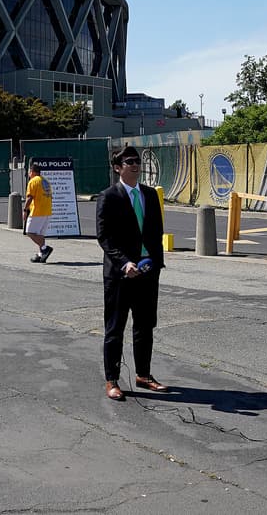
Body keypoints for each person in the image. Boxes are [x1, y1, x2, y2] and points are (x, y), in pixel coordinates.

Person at [95, 145, 167, 401]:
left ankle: (144, 375)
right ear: (117, 167)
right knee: (115, 328)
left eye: (137, 161)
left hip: (147, 272)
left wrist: (155, 261)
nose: (135, 165)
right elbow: (104, 237)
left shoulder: (149, 194)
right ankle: (112, 379)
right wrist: (125, 262)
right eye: (129, 162)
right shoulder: (108, 196)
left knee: (145, 326)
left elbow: (156, 231)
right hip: (120, 274)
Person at [22, 162, 54, 263]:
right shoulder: (45, 181)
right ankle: (40, 254)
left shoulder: (33, 181)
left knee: (30, 232)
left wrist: (25, 210)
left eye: (29, 172)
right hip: (47, 211)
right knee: (40, 234)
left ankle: (45, 249)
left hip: (37, 211)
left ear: (32, 172)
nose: (29, 174)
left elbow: (30, 197)